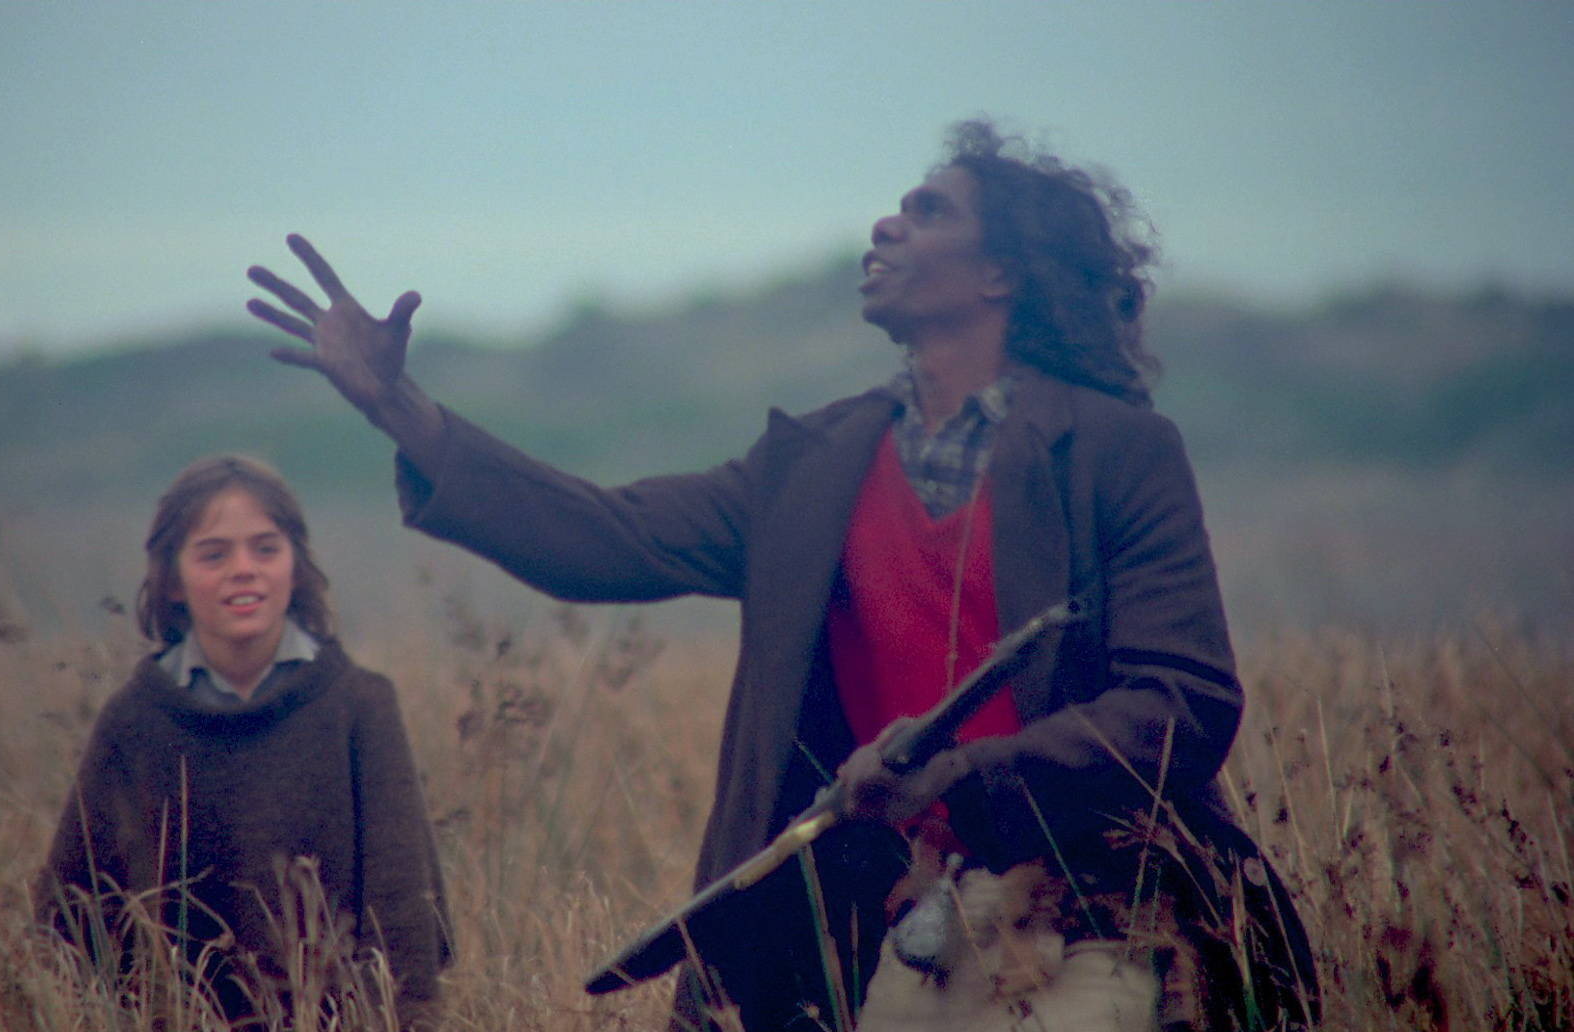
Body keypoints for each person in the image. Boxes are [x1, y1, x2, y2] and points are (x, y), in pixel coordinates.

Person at [246, 120, 1316, 1031]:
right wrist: (401, 410)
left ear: (1001, 275)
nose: (886, 224)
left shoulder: (1118, 451)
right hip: (908, 918)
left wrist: (968, 782)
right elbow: (603, 537)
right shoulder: (810, 469)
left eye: (927, 210)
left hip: (1096, 912)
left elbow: (1182, 703)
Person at [37, 455, 452, 1029]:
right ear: (173, 580)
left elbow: (404, 909)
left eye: (266, 548)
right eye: (214, 554)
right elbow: (71, 920)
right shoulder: (134, 721)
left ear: (296, 567)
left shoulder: (358, 706)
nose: (244, 569)